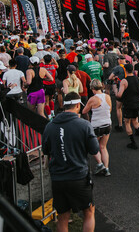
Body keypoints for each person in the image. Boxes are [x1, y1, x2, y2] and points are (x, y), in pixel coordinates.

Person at [42, 92, 98, 232]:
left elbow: (45, 150)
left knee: (62, 217)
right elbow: (94, 149)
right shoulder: (84, 125)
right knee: (89, 212)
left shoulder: (50, 126)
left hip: (58, 178)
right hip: (79, 177)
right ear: (78, 105)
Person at [117, 62, 139, 150]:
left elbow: (119, 95)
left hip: (128, 103)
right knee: (135, 121)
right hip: (136, 103)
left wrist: (116, 94)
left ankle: (133, 142)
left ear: (125, 70)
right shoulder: (138, 79)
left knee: (127, 122)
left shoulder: (124, 81)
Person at [82, 79, 112, 177]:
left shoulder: (93, 99)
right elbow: (109, 109)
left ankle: (100, 164)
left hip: (97, 126)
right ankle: (106, 168)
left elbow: (84, 111)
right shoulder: (107, 96)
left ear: (92, 88)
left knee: (92, 146)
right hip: (107, 124)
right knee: (103, 147)